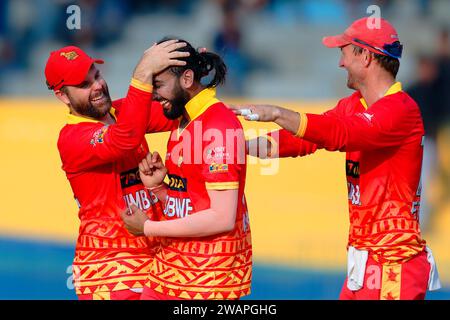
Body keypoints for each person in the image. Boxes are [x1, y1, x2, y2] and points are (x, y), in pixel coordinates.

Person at [232, 17, 441, 300]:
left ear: (365, 56)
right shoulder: (354, 105)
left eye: (344, 51)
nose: (340, 62)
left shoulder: (401, 109)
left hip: (394, 266)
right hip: (364, 263)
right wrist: (233, 144)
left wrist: (279, 113)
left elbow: (342, 134)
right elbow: (301, 140)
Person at [45, 40, 189, 300]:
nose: (98, 85)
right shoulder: (72, 138)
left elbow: (180, 112)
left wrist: (190, 78)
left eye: (96, 75)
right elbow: (125, 138)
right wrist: (142, 74)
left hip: (156, 261)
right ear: (62, 96)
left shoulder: (121, 111)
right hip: (110, 272)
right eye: (84, 84)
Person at [121, 38, 252, 300]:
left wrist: (148, 228)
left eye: (158, 86)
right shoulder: (184, 121)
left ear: (187, 78)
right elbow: (195, 205)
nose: (154, 96)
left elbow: (221, 217)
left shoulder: (218, 126)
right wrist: (160, 189)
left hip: (208, 279)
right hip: (170, 269)